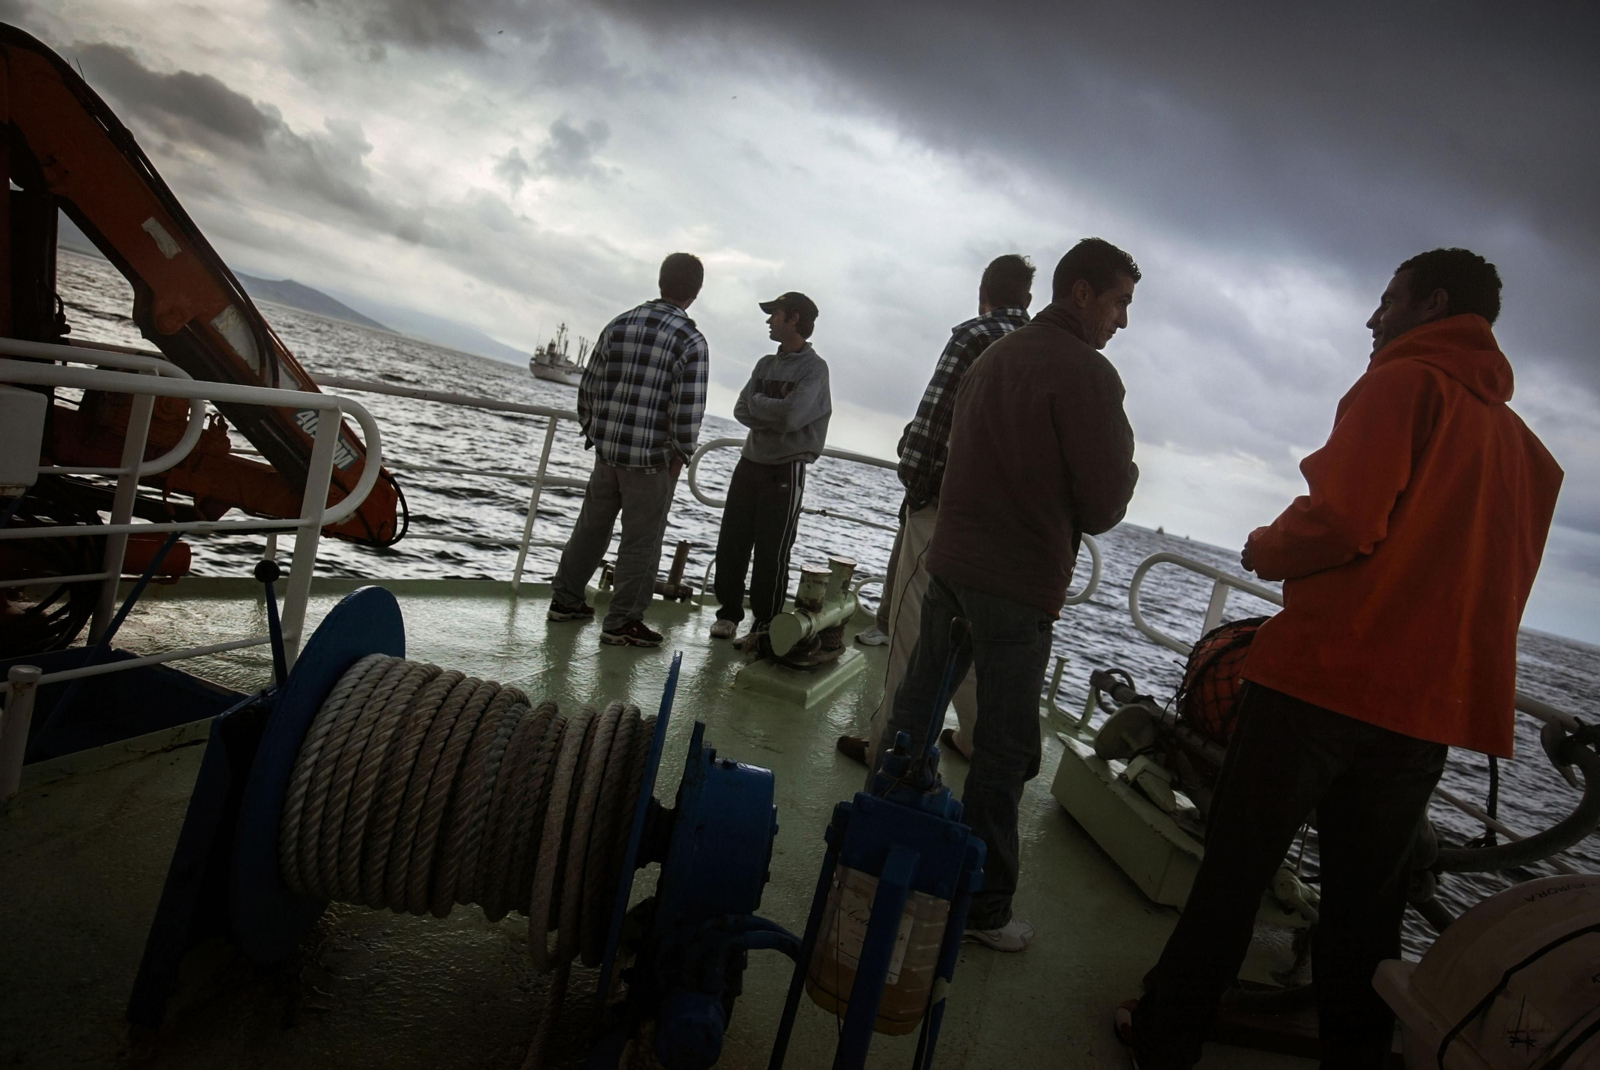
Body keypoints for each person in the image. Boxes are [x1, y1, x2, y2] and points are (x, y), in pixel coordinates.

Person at [1121, 249, 1564, 1070]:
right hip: (1420, 716)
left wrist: (1265, 547)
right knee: (1367, 915)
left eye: (1387, 301)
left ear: (1431, 304)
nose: (1373, 317)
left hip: (1320, 687)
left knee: (1235, 874)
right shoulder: (1527, 456)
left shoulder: (1402, 383)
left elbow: (1344, 522)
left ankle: (1164, 1037)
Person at [871, 239, 1141, 952]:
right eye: (1119, 302)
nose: (1121, 320)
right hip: (1016, 585)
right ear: (1081, 292)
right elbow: (1104, 503)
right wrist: (1128, 472)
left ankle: (876, 841)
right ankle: (984, 908)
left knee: (915, 714)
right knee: (1004, 749)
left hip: (952, 564)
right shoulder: (1088, 374)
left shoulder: (993, 355)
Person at [837, 253, 1036, 767]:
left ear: (984, 292)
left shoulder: (974, 337)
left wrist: (917, 487)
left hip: (946, 513)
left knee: (914, 633)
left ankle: (884, 745)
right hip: (1004, 530)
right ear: (1028, 299)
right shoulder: (1043, 350)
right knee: (972, 637)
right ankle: (974, 738)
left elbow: (930, 430)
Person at [547, 252, 709, 648]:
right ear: (696, 291)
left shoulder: (619, 324)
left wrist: (597, 435)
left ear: (661, 281)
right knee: (641, 543)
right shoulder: (690, 341)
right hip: (651, 462)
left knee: (590, 529)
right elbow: (687, 411)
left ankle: (565, 600)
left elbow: (588, 389)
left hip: (608, 454)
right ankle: (622, 622)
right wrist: (679, 455)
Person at [710, 292, 831, 647]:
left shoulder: (814, 369)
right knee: (731, 543)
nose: (768, 321)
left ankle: (764, 624)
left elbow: (793, 416)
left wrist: (761, 406)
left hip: (785, 470)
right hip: (749, 463)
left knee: (772, 551)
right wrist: (774, 412)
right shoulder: (764, 364)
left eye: (774, 314)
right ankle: (728, 614)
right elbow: (740, 409)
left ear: (793, 319)